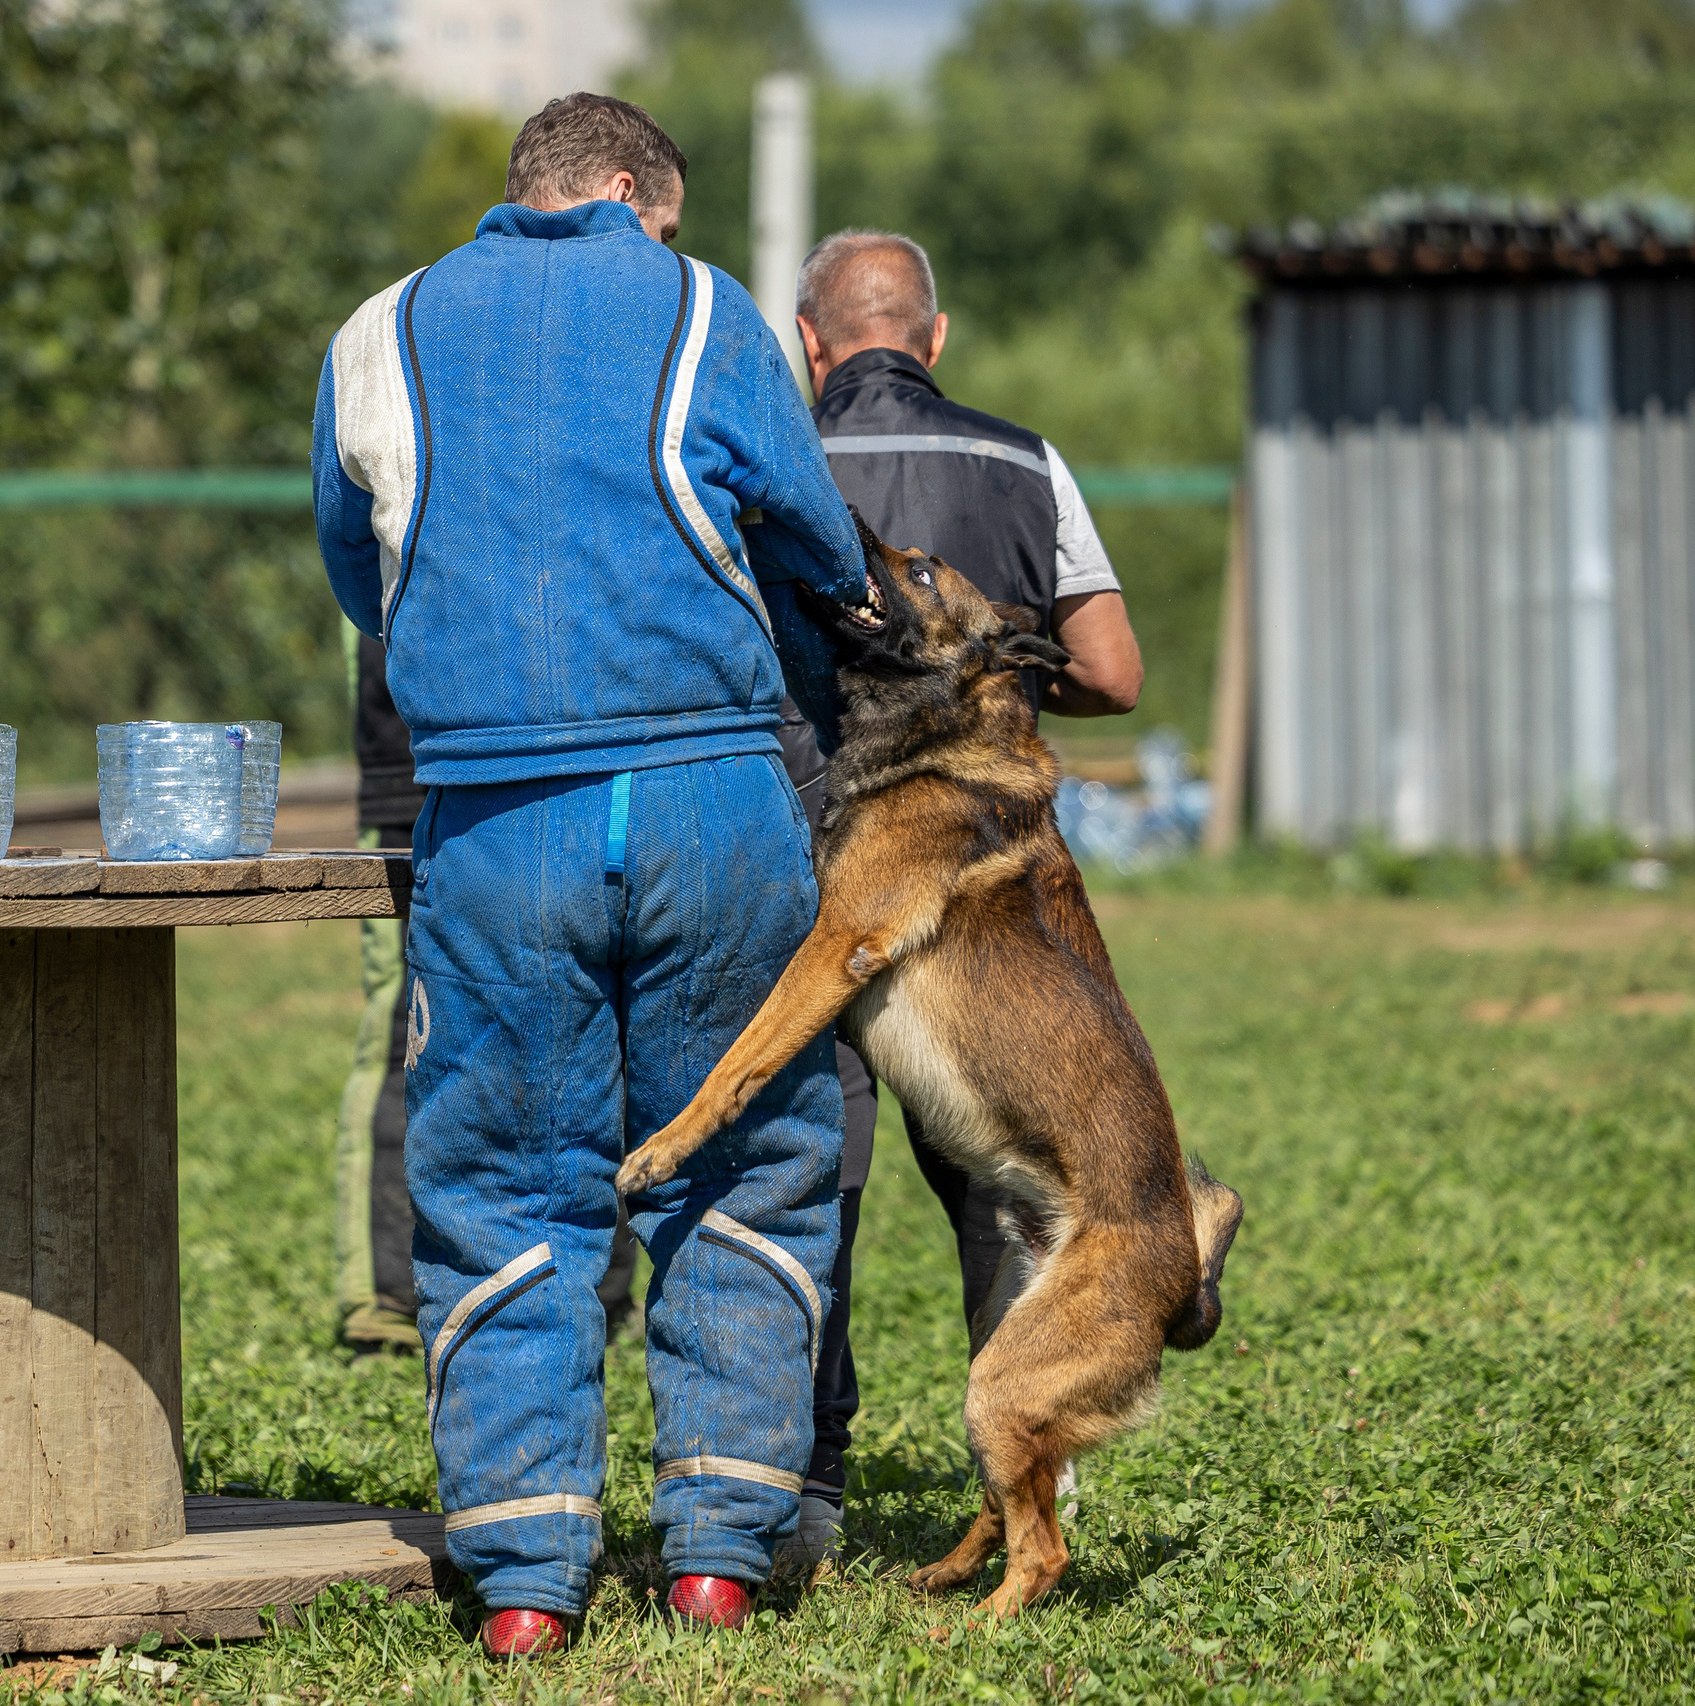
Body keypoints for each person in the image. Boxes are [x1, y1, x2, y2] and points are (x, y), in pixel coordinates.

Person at [313, 94, 870, 1657]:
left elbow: (361, 566)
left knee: (498, 1181)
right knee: (746, 1157)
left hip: (495, 818)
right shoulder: (706, 304)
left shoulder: (377, 331)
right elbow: (816, 534)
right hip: (710, 799)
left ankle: (522, 1581)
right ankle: (719, 1552)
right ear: (629, 191)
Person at [786, 228, 1145, 1543]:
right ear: (935, 339)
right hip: (985, 880)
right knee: (1002, 1181)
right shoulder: (1025, 460)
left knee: (806, 1172)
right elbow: (1113, 673)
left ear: (809, 344)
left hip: (810, 866)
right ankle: (1037, 1461)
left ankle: (805, 1489)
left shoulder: (771, 454)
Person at [334, 630, 640, 1355]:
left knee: (608, 1015)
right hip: (419, 779)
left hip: (573, 769)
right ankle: (391, 1293)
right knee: (411, 1032)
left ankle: (601, 1287)